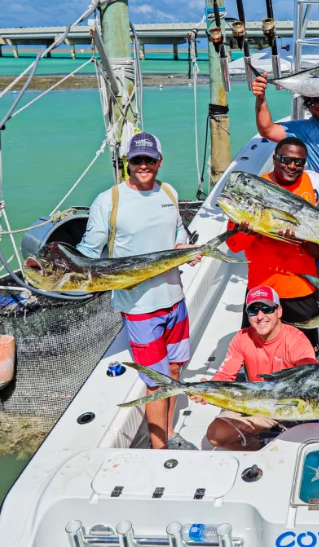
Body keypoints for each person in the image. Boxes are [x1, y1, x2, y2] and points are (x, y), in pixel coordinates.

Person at [73, 133, 193, 450]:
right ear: (127, 162)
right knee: (155, 382)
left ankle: (170, 433)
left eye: (149, 160)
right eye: (137, 160)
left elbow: (177, 230)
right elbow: (88, 251)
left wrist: (183, 246)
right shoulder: (108, 201)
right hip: (140, 309)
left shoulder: (169, 192)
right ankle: (160, 449)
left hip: (175, 299)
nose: (143, 166)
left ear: (159, 162)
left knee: (176, 369)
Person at [225, 137, 319, 350]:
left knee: (305, 357)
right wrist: (250, 231)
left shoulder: (312, 187)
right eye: (285, 159)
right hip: (262, 290)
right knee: (259, 356)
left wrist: (301, 238)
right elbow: (234, 245)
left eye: (299, 162)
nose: (292, 166)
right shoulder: (252, 190)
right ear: (274, 159)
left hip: (302, 289)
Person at [200, 287, 318, 451]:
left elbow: (311, 380)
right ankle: (257, 450)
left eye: (267, 309)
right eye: (254, 310)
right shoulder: (241, 337)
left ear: (279, 311)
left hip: (285, 404)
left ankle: (278, 434)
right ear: (248, 315)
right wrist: (208, 389)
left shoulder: (297, 341)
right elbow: (226, 375)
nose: (260, 316)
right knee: (216, 435)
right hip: (253, 400)